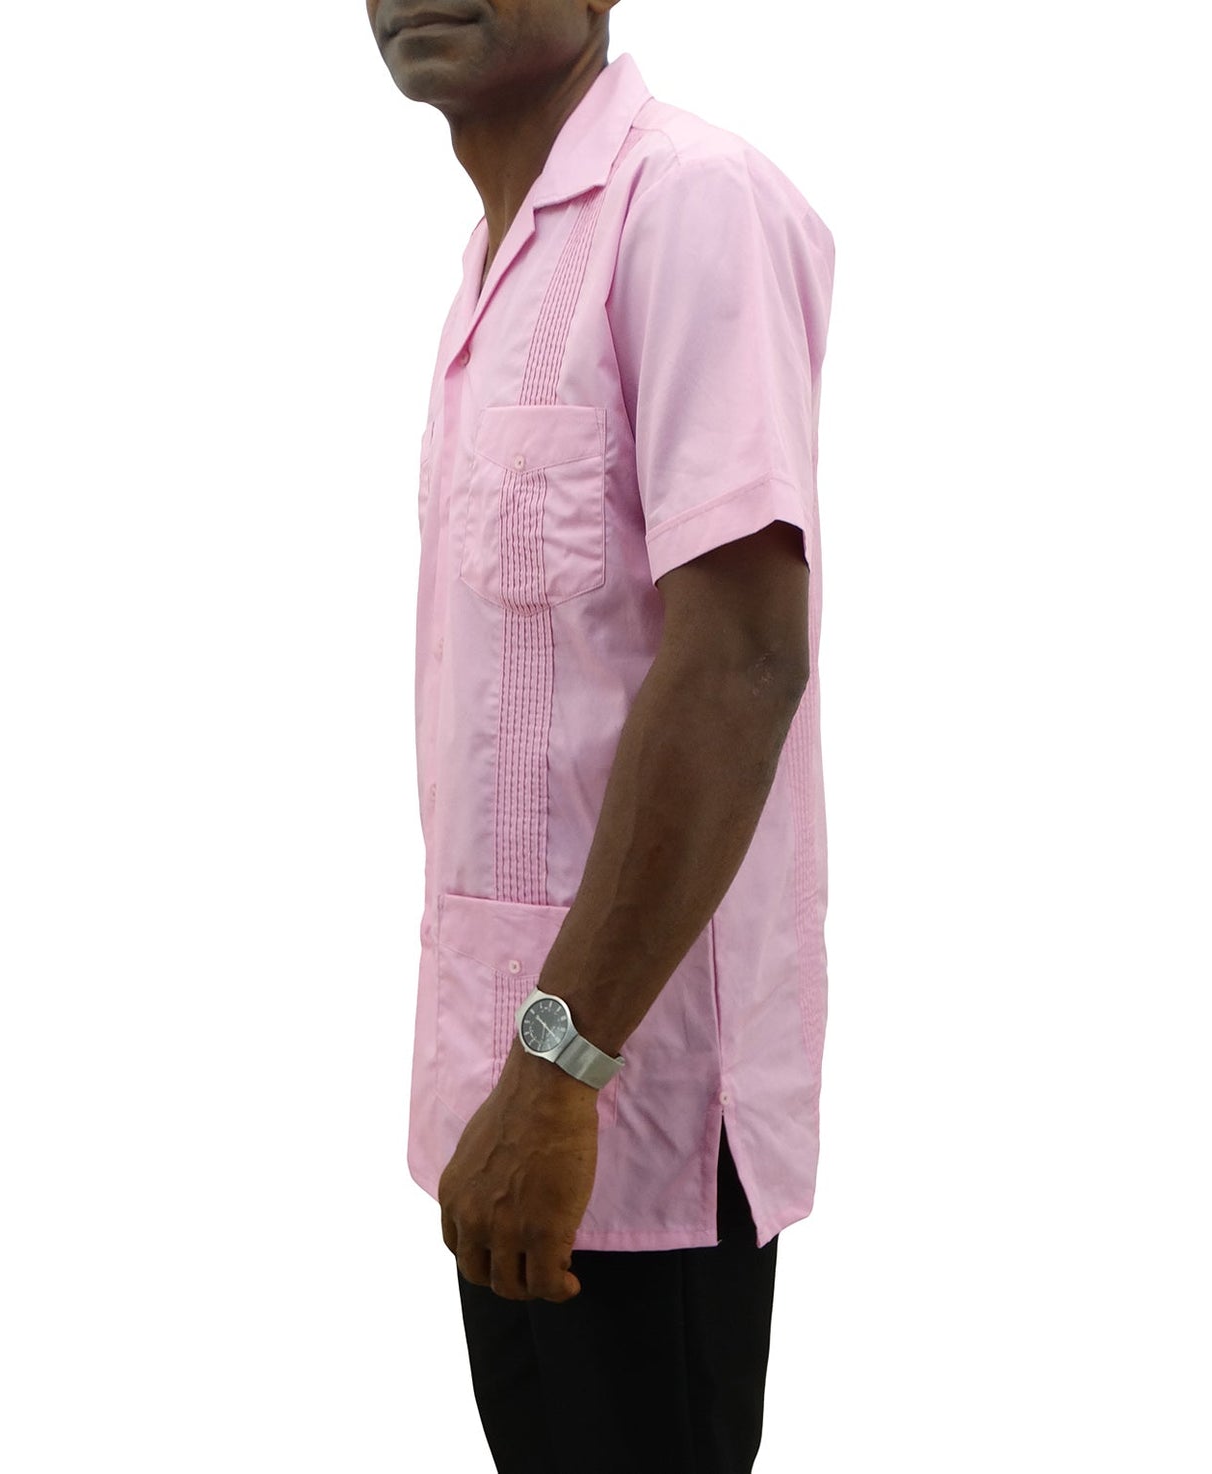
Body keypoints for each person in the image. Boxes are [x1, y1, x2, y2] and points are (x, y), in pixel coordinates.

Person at [369, 4, 835, 1469]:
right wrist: (509, 1090)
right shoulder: (497, 264)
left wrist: (560, 1070)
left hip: (623, 1113)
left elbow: (741, 661)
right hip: (502, 1108)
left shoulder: (689, 203)